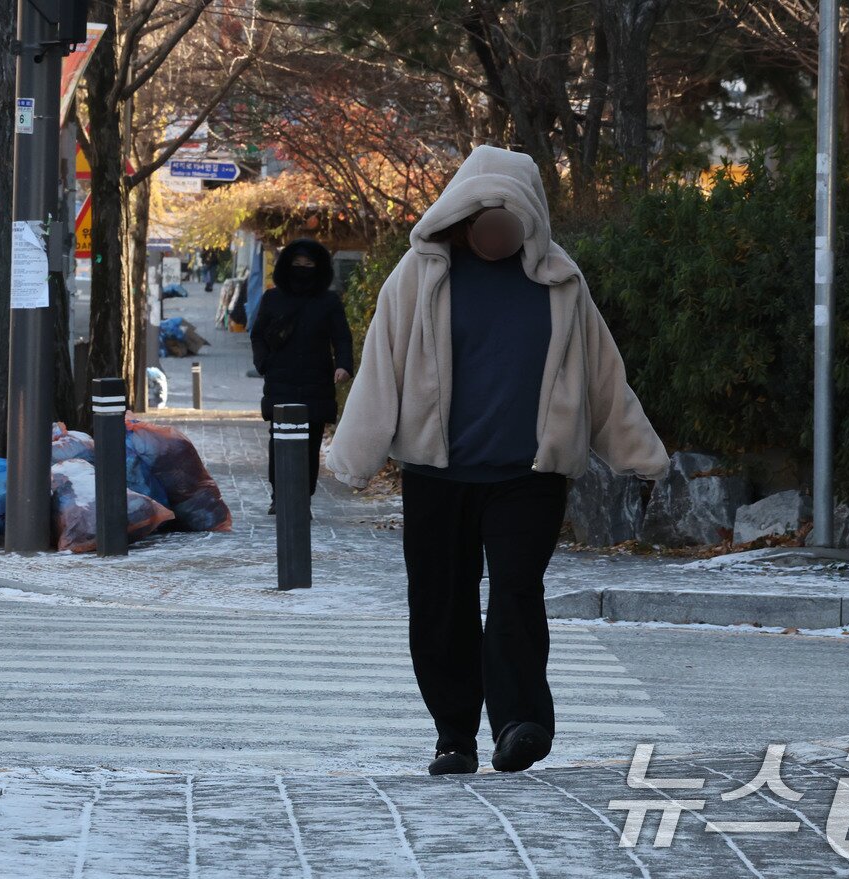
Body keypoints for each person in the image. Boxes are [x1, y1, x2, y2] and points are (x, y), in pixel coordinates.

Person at [325, 147, 669, 776]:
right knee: (440, 602)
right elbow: (382, 368)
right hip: (436, 475)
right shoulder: (419, 275)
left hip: (528, 476)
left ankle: (520, 723)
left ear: (530, 224)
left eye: (508, 228)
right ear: (461, 217)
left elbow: (602, 378)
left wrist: (637, 454)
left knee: (515, 594)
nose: (495, 238)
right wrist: (354, 456)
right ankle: (454, 735)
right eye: (485, 226)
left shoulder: (561, 284)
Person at [251, 239, 353, 514]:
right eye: (297, 264)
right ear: (287, 266)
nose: (303, 269)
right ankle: (279, 495)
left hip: (317, 379)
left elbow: (341, 337)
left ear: (319, 268)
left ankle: (303, 498)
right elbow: (258, 334)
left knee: (311, 442)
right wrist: (264, 363)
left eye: (309, 264)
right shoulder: (273, 298)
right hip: (280, 378)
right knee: (280, 438)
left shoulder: (328, 301)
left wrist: (343, 365)